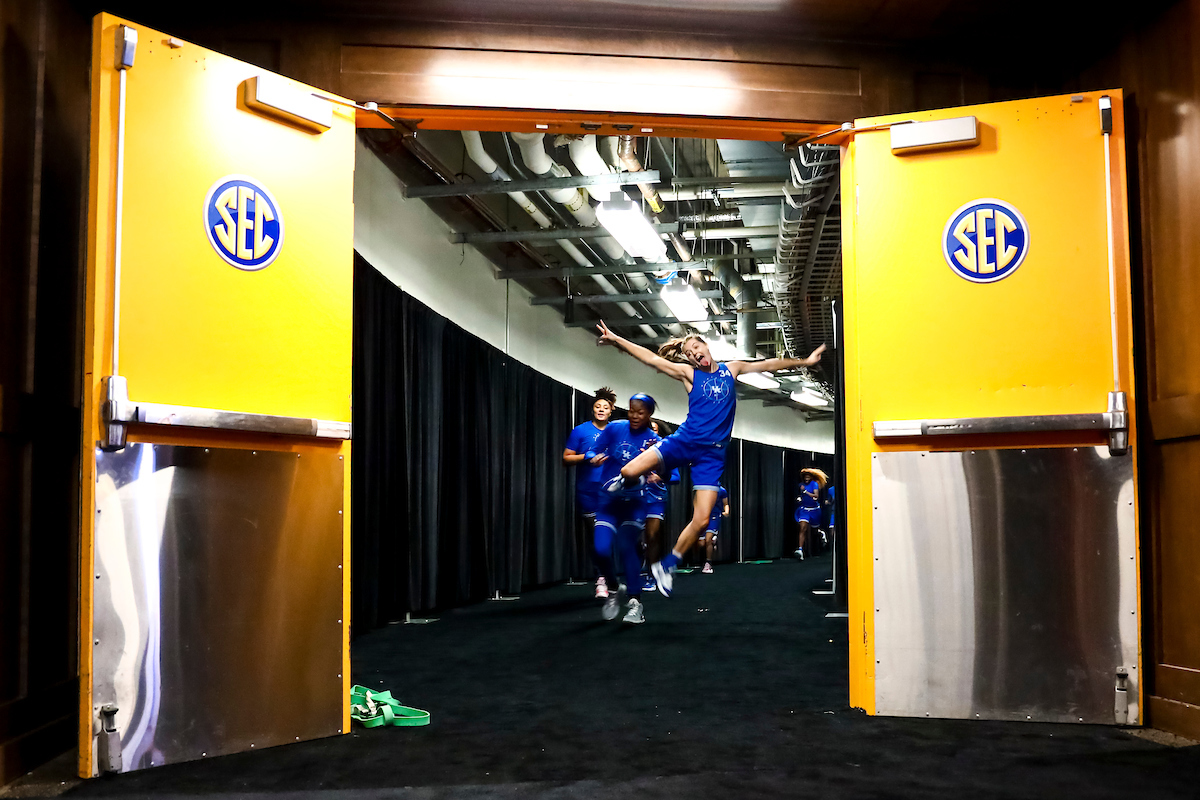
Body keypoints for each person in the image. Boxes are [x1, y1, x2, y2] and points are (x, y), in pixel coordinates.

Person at [595, 320, 825, 597]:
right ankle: (628, 483)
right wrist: (617, 339)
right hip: (685, 441)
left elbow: (768, 364)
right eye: (689, 353)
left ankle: (667, 565)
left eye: (696, 348)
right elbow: (651, 359)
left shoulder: (732, 369)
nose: (694, 354)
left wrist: (804, 361)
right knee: (629, 472)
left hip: (712, 455)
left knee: (702, 520)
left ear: (706, 346)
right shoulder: (689, 374)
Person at [591, 393, 660, 624]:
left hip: (634, 503)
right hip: (608, 500)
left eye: (640, 412)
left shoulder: (654, 441)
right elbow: (594, 450)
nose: (634, 416)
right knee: (600, 549)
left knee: (625, 546)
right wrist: (593, 458)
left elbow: (671, 473)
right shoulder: (614, 428)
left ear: (649, 414)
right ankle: (613, 587)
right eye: (631, 410)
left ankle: (635, 603)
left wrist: (657, 475)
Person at [563, 387, 616, 598]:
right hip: (588, 492)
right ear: (593, 409)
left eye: (605, 407)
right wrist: (587, 457)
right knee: (596, 537)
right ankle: (601, 579)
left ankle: (610, 577)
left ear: (611, 411)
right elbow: (566, 458)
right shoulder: (580, 431)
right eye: (598, 406)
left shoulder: (617, 431)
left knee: (609, 536)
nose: (601, 410)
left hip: (612, 492)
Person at [642, 419, 680, 593]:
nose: (652, 433)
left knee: (652, 536)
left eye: (655, 430)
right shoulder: (636, 448)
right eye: (649, 429)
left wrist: (660, 477)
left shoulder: (666, 452)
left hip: (656, 499)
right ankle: (643, 569)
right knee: (636, 539)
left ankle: (651, 575)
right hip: (636, 498)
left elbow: (676, 477)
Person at [695, 484, 729, 573]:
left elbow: (726, 504)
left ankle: (708, 563)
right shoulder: (703, 489)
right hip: (703, 516)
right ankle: (713, 543)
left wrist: (726, 511)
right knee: (701, 543)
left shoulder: (722, 490)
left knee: (708, 539)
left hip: (714, 517)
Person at [795, 467, 828, 560]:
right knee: (803, 528)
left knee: (814, 530)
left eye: (808, 477)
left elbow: (816, 496)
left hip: (814, 510)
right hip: (804, 510)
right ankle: (800, 550)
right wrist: (799, 498)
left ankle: (821, 533)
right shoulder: (800, 485)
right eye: (805, 477)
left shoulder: (814, 484)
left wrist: (806, 492)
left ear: (811, 477)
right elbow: (800, 495)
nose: (806, 478)